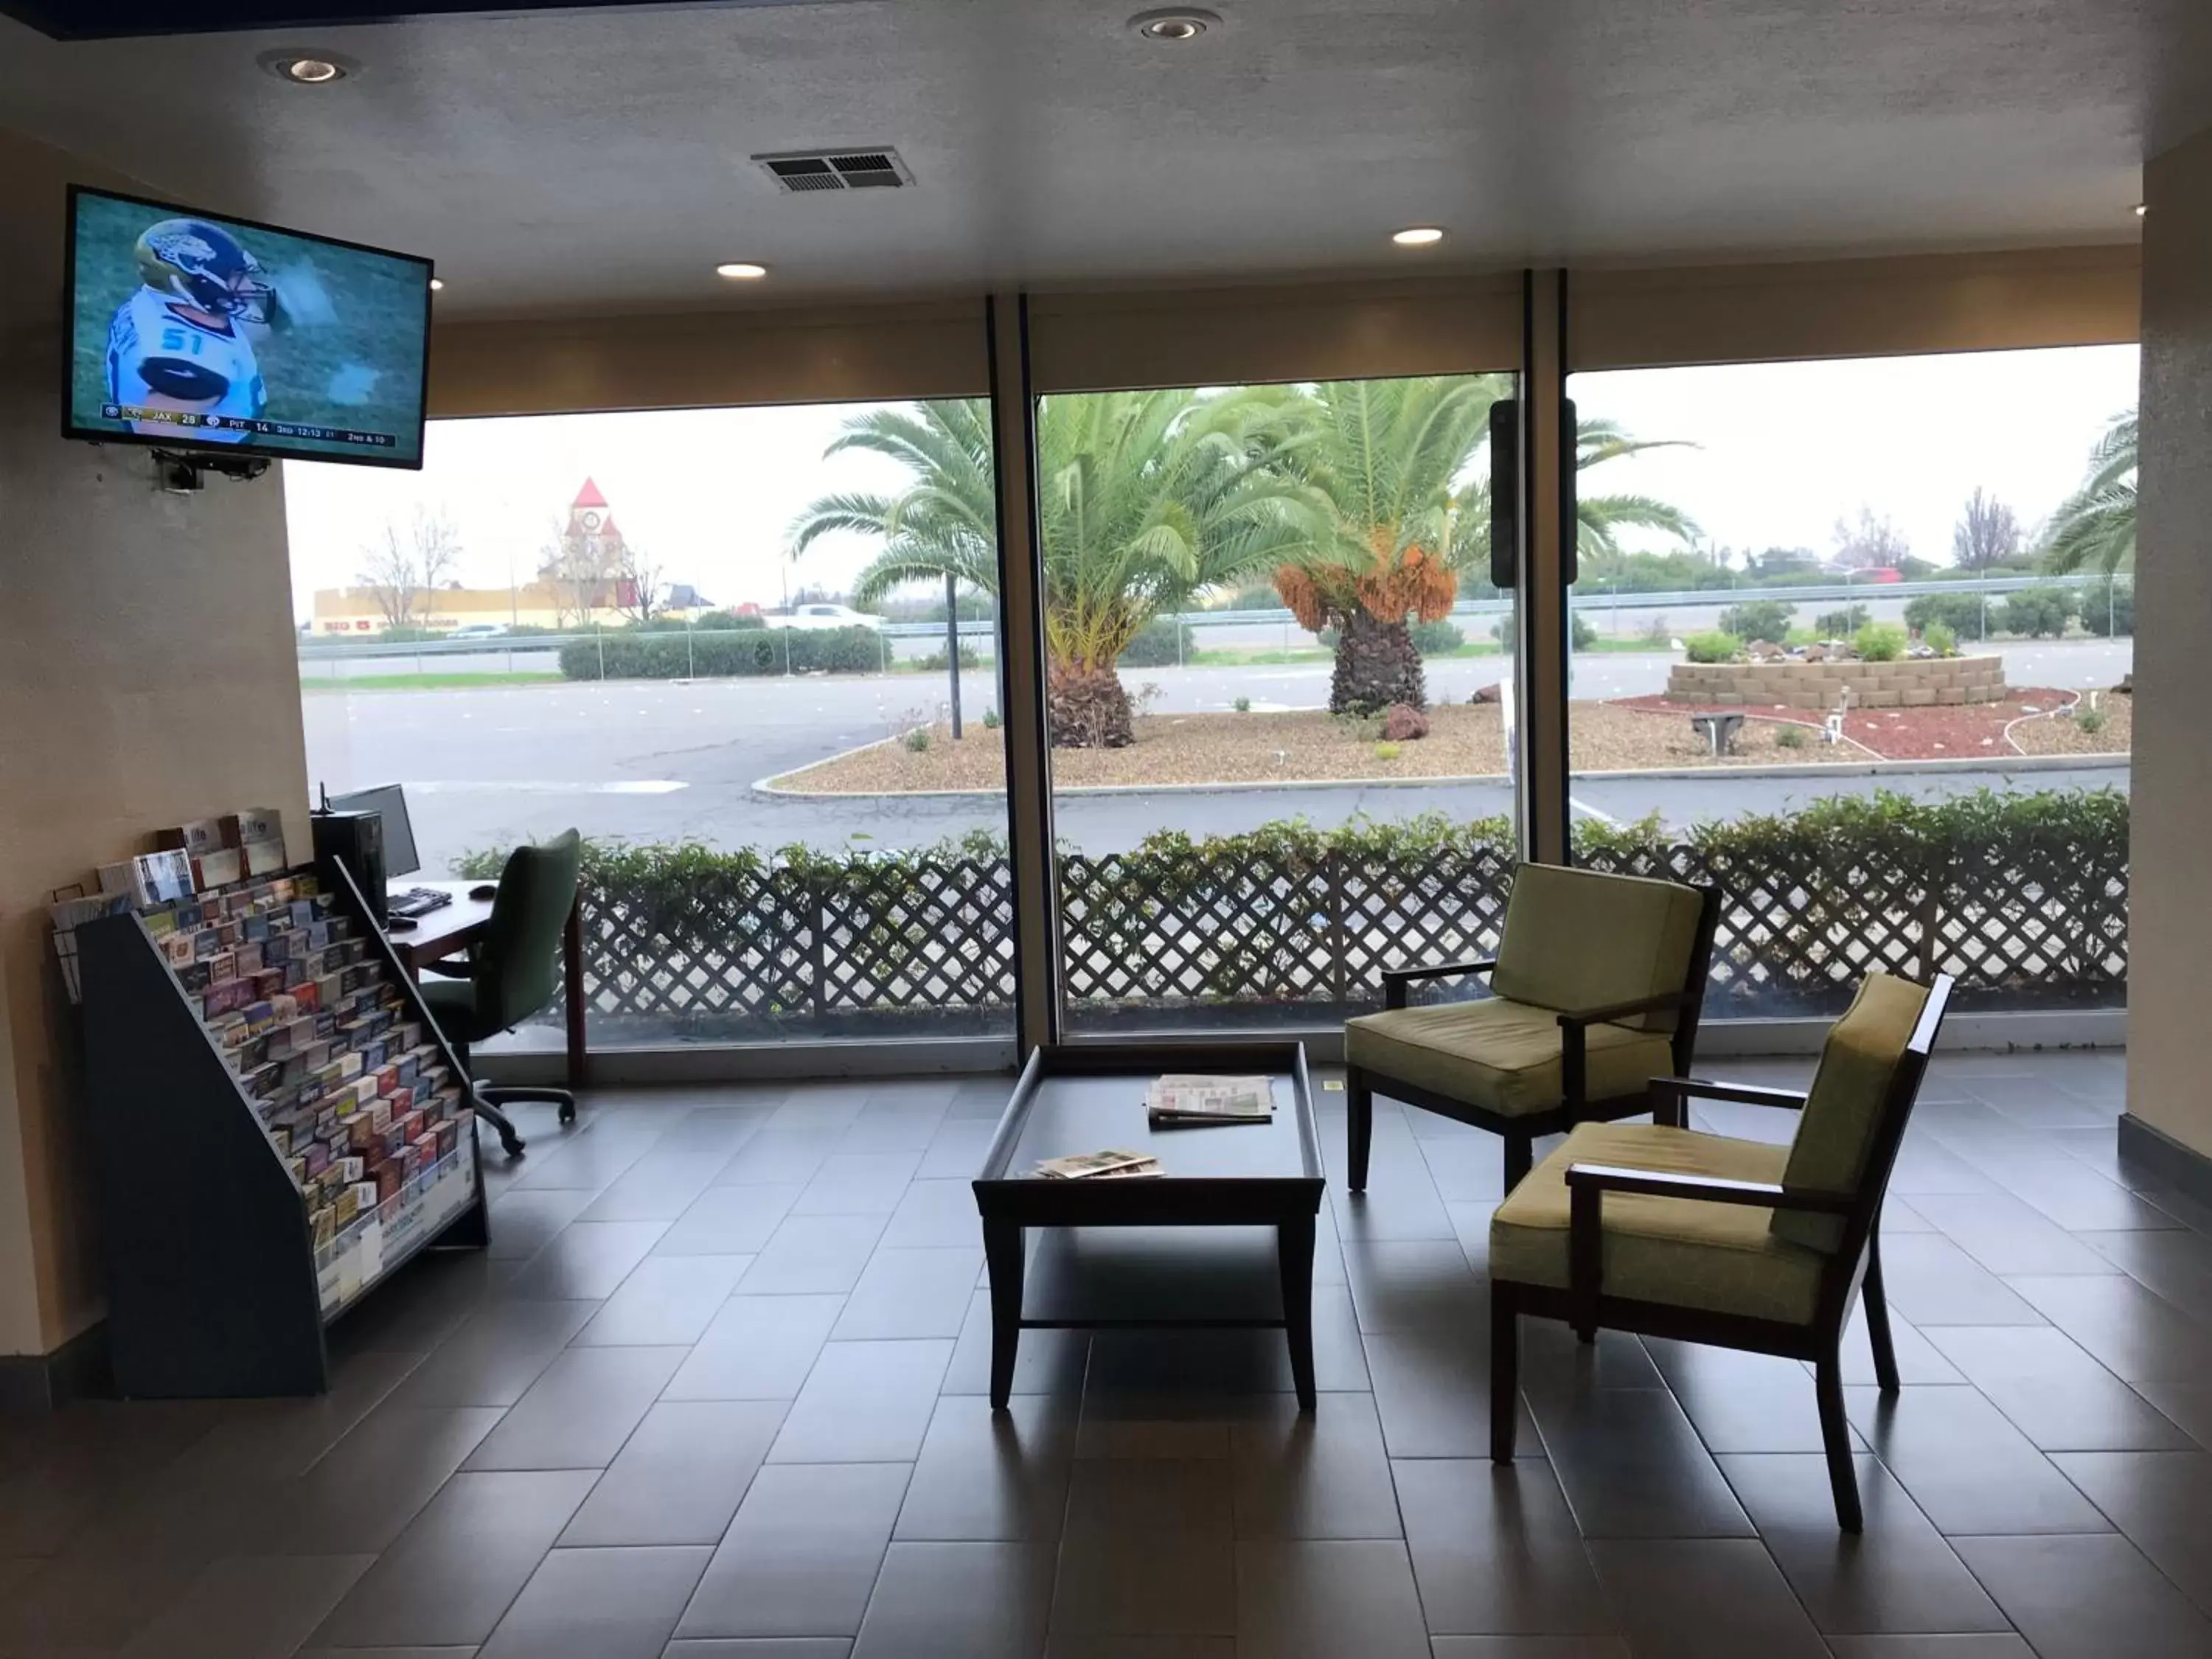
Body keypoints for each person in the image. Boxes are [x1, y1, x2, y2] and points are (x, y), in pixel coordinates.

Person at [105, 218, 278, 443]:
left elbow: (248, 329)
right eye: (236, 277)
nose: (250, 286)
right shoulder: (197, 362)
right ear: (194, 283)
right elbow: (159, 434)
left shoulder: (158, 300)